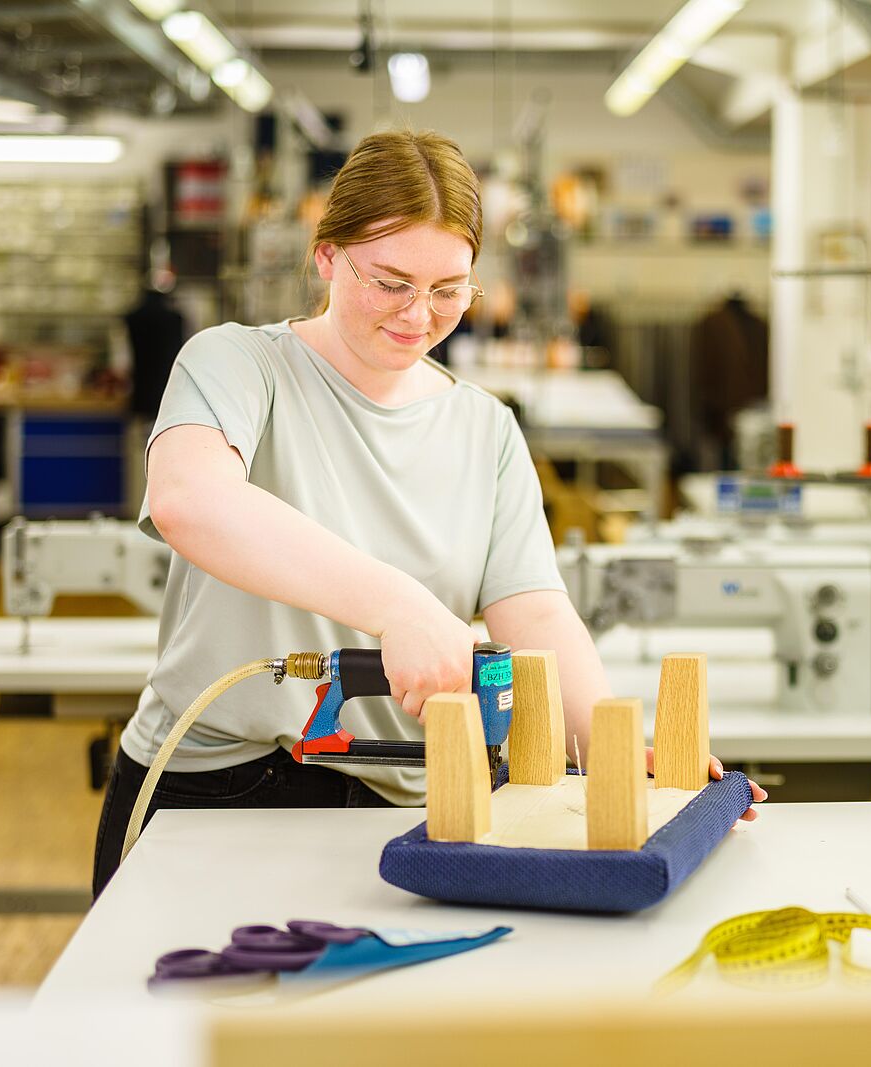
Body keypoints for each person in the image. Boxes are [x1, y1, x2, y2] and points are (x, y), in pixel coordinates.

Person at [92, 129, 763, 895]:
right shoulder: (236, 364)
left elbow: (535, 614)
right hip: (209, 788)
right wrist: (400, 605)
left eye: (450, 289)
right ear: (326, 257)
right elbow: (191, 501)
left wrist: (614, 748)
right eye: (391, 281)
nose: (419, 314)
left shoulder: (485, 427)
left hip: (408, 800)